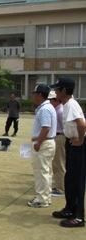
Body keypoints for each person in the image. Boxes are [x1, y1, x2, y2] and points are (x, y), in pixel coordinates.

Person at [52, 77, 86, 228]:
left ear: (64, 91)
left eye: (57, 90)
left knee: (77, 180)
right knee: (70, 178)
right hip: (71, 142)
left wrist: (79, 140)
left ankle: (78, 216)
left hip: (78, 145)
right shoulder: (66, 104)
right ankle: (69, 208)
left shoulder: (71, 104)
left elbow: (82, 123)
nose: (55, 93)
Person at [28, 84, 56, 208]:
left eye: (34, 93)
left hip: (44, 143)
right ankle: (45, 196)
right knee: (46, 171)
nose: (33, 95)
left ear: (40, 95)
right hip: (47, 142)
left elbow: (46, 128)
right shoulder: (47, 107)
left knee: (41, 172)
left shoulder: (44, 109)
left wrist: (38, 143)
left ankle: (42, 199)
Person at [48, 90, 66, 197]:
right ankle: (59, 185)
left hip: (60, 136)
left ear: (55, 100)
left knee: (59, 163)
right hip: (58, 136)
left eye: (50, 100)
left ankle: (60, 188)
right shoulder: (57, 109)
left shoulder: (60, 111)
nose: (49, 102)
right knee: (57, 163)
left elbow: (65, 127)